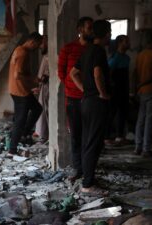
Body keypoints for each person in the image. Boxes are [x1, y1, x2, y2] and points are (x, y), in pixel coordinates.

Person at [70, 20, 112, 197]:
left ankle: (88, 180)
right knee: (93, 143)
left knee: (88, 141)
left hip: (86, 101)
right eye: (109, 32)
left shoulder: (86, 51)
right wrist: (102, 93)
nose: (111, 36)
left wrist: (86, 90)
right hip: (95, 102)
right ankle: (88, 185)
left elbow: (73, 74)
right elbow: (97, 73)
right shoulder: (98, 51)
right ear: (105, 34)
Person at [58, 16, 93, 183]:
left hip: (91, 99)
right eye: (88, 27)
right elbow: (61, 73)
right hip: (73, 99)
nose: (91, 31)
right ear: (80, 30)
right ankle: (77, 169)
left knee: (89, 136)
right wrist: (73, 87)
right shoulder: (69, 48)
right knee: (75, 136)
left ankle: (89, 170)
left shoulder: (94, 49)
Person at [8, 31, 43, 156]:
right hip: (20, 91)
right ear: (32, 42)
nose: (38, 48)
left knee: (37, 109)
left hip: (18, 89)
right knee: (20, 120)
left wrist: (31, 85)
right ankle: (12, 150)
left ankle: (24, 133)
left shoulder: (19, 49)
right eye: (37, 45)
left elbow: (21, 73)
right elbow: (18, 75)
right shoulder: (22, 52)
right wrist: (33, 80)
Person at [104, 35, 131, 146]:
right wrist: (111, 86)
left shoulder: (127, 58)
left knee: (122, 113)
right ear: (119, 43)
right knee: (111, 113)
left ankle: (119, 137)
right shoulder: (115, 58)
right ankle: (106, 137)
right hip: (115, 90)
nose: (128, 43)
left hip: (124, 89)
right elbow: (108, 72)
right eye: (126, 41)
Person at [134, 38, 152, 158]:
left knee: (141, 119)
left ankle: (137, 147)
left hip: (141, 91)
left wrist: (136, 87)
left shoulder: (140, 55)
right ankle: (146, 149)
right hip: (150, 89)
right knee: (149, 120)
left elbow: (134, 73)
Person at [35, 35, 49, 143]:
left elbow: (45, 76)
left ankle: (45, 135)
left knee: (46, 111)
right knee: (42, 111)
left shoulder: (49, 57)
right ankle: (42, 134)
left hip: (47, 88)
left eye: (43, 43)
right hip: (43, 87)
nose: (41, 46)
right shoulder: (45, 56)